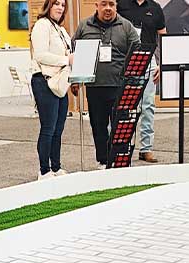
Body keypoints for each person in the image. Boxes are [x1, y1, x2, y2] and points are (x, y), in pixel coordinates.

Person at [72, 0, 141, 167]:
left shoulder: (126, 26)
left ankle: (120, 161)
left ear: (116, 6)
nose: (108, 8)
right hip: (95, 87)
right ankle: (103, 161)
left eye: (111, 4)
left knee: (121, 127)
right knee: (98, 127)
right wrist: (75, 79)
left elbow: (137, 52)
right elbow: (75, 52)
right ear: (97, 6)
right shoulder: (84, 26)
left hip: (120, 87)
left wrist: (134, 81)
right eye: (104, 4)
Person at [118, 0, 166, 163]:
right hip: (126, 60)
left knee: (148, 106)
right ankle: (123, 147)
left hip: (149, 60)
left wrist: (161, 63)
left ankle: (146, 148)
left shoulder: (155, 8)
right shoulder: (121, 4)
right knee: (126, 107)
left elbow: (163, 37)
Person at [30, 0, 72, 179]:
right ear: (49, 5)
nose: (60, 8)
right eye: (56, 3)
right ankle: (44, 170)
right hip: (44, 81)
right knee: (48, 127)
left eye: (62, 5)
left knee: (58, 128)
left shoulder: (60, 29)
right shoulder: (42, 25)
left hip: (60, 82)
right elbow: (40, 55)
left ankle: (56, 167)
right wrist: (66, 60)